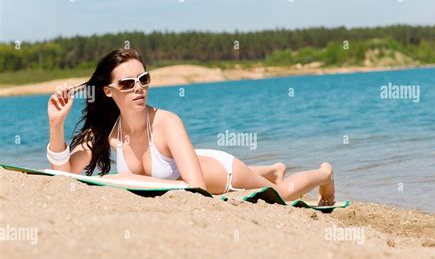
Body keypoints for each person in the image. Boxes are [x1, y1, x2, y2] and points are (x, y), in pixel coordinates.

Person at [47, 49, 335, 204]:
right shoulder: (106, 131)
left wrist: (135, 183)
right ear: (108, 91)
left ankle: (324, 174)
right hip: (192, 161)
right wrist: (56, 125)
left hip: (225, 173)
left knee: (280, 196)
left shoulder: (166, 122)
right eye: (127, 83)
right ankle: (272, 169)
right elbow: (63, 175)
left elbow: (196, 188)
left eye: (143, 79)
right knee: (274, 183)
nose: (138, 88)